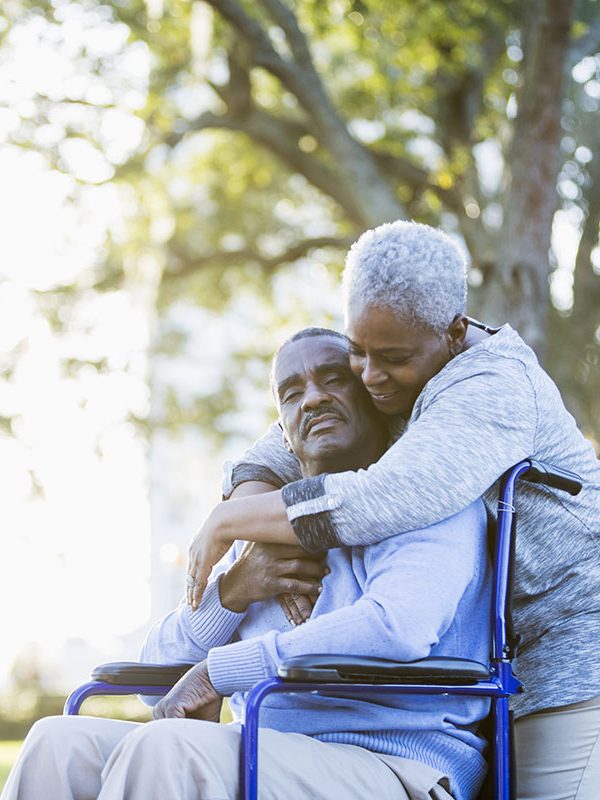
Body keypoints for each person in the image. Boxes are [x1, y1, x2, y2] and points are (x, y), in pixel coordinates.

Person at [186, 221, 600, 800]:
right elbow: (274, 451)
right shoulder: (391, 381)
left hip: (567, 646)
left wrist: (227, 523)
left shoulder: (492, 386)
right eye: (357, 353)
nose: (372, 377)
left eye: (393, 358)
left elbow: (388, 499)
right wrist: (263, 546)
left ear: (454, 333)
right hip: (482, 658)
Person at [2, 328, 491, 800]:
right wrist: (231, 592)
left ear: (372, 393)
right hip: (267, 752)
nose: (313, 399)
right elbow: (155, 680)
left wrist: (221, 671)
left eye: (333, 379)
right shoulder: (262, 524)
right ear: (283, 433)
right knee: (56, 743)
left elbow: (396, 627)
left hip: (395, 761)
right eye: (292, 392)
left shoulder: (425, 495)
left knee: (168, 748)